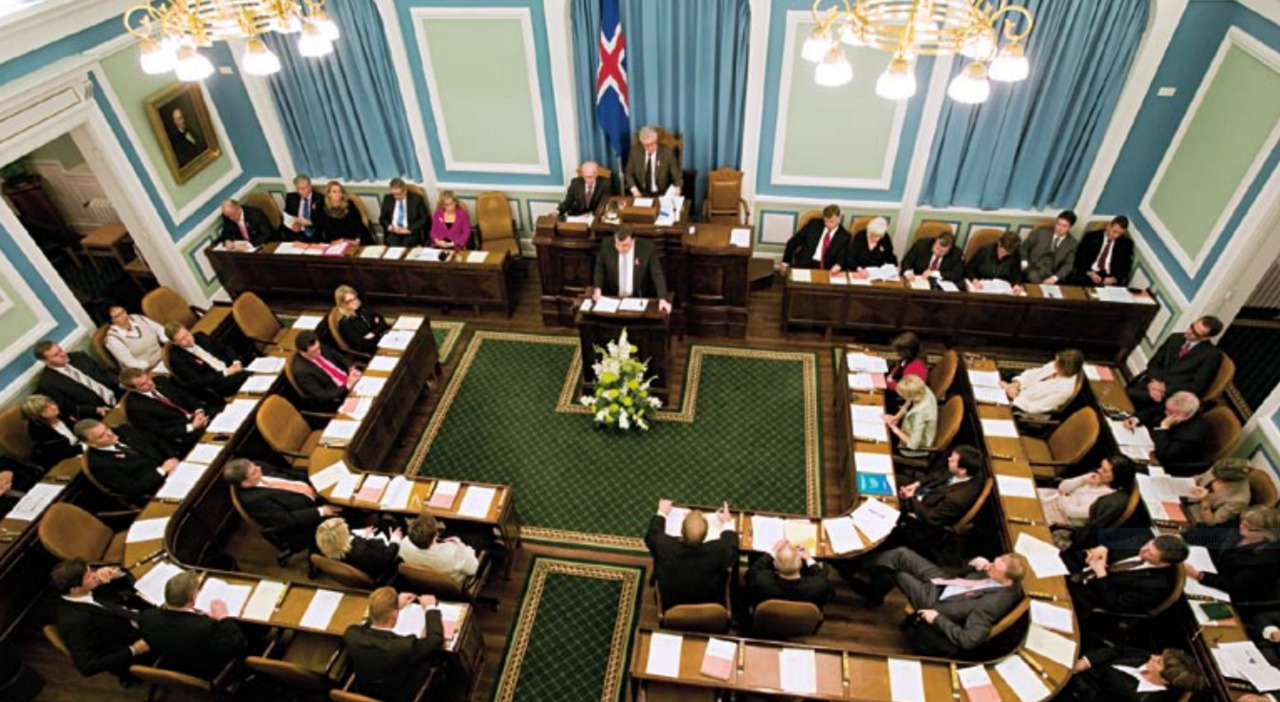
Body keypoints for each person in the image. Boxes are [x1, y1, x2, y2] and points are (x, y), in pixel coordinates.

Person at [854, 547, 1027, 656]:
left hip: (936, 602)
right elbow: (963, 576)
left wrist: (936, 618)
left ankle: (870, 589)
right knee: (902, 554)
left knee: (896, 572)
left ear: (1007, 581)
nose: (990, 565)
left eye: (995, 567)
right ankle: (854, 562)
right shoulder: (1000, 575)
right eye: (995, 561)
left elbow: (969, 640)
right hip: (946, 582)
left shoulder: (989, 606)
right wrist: (972, 564)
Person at [51, 558, 151, 683]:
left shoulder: (86, 588)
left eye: (91, 570)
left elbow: (120, 593)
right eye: (89, 576)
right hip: (136, 644)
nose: (95, 575)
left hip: (136, 616)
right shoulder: (74, 622)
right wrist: (133, 650)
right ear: (75, 589)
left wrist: (116, 575)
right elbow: (87, 667)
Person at [138, 570, 247, 680]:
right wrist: (223, 618)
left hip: (172, 661)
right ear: (193, 598)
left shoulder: (147, 617)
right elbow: (237, 644)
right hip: (203, 670)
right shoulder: (205, 627)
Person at [343, 587, 444, 702]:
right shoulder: (404, 646)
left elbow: (366, 625)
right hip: (398, 694)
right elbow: (435, 639)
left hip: (364, 689)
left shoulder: (351, 635)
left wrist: (389, 608)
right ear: (395, 615)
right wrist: (430, 607)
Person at [223, 458, 339, 552]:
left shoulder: (258, 467)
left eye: (255, 466)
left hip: (315, 490)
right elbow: (285, 519)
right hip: (306, 518)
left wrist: (311, 480)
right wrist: (321, 511)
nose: (259, 468)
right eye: (254, 472)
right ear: (245, 483)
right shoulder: (254, 500)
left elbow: (284, 472)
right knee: (350, 512)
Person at [645, 498, 738, 611]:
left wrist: (662, 512)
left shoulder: (664, 547)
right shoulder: (719, 551)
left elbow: (652, 535)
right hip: (710, 606)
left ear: (682, 531)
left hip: (671, 606)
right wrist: (727, 523)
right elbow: (732, 545)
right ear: (705, 535)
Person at [891, 446, 985, 556]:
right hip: (924, 493)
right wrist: (916, 484)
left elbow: (931, 517)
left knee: (886, 503)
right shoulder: (967, 471)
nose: (948, 459)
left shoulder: (956, 499)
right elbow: (937, 475)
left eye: (953, 460)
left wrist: (910, 498)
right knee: (892, 478)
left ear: (962, 470)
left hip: (923, 517)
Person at [1068, 535, 1188, 615]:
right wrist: (1104, 547)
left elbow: (1115, 603)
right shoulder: (1142, 539)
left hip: (1088, 595)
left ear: (1163, 563)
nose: (1142, 549)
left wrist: (1100, 573)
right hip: (1079, 567)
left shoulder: (1157, 587)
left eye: (1150, 554)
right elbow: (1110, 542)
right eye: (1148, 544)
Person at [1184, 506, 1280, 603]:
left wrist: (1200, 576)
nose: (1241, 525)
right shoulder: (1237, 528)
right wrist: (1183, 537)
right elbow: (1210, 534)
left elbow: (1235, 586)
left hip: (1222, 591)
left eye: (1248, 526)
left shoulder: (1266, 560)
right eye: (1243, 521)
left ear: (1265, 534)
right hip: (1205, 566)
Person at [1127, 315, 1225, 411]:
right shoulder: (1175, 338)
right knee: (1124, 391)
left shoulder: (1211, 356)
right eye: (1191, 327)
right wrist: (1155, 382)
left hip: (1172, 394)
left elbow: (1197, 386)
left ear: (1205, 338)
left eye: (1195, 333)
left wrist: (1164, 388)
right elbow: (1155, 362)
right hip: (1153, 381)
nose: (1189, 332)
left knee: (1130, 395)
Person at [119, 368, 218, 453]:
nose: (150, 383)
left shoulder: (161, 380)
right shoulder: (135, 408)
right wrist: (192, 426)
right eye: (143, 384)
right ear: (133, 389)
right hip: (183, 433)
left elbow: (186, 396)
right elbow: (158, 431)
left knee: (224, 412)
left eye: (148, 378)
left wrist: (199, 411)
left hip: (198, 416)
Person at [76, 419, 177, 500]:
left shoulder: (123, 430)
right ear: (91, 444)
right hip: (159, 488)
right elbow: (133, 490)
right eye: (101, 436)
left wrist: (172, 458)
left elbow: (157, 441)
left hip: (175, 467)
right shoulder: (99, 464)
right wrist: (162, 471)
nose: (109, 434)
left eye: (106, 429)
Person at [1066, 647, 1205, 701]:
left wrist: (1070, 673)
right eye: (1160, 656)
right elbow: (1117, 650)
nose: (1153, 656)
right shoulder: (1148, 658)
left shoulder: (1140, 698)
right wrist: (1086, 662)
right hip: (1084, 656)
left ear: (1165, 681)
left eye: (1159, 662)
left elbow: (1092, 696)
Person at [34, 340, 120, 423]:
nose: (63, 354)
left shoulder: (79, 357)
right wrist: (96, 410)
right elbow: (69, 408)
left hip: (118, 393)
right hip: (100, 412)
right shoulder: (48, 383)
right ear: (45, 361)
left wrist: (121, 383)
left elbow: (104, 373)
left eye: (60, 350)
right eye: (56, 355)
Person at [1124, 391, 1211, 475]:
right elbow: (1152, 411)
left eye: (1170, 412)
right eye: (1166, 408)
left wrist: (1163, 428)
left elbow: (1164, 454)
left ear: (1184, 416)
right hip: (1151, 442)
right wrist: (1136, 419)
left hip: (1170, 466)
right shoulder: (1173, 406)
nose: (1165, 412)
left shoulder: (1192, 435)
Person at [1039, 456, 1136, 529]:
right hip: (1053, 499)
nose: (1099, 470)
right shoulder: (1095, 476)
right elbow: (1062, 487)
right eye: (1101, 467)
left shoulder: (1108, 500)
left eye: (1104, 471)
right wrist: (1083, 479)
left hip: (1061, 518)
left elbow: (1072, 512)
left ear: (1116, 477)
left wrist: (1064, 497)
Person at [592, 226, 672, 313]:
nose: (620, 249)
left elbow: (657, 273)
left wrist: (662, 298)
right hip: (614, 298)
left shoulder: (646, 248)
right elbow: (599, 268)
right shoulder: (606, 245)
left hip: (639, 298)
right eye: (617, 244)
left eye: (625, 245)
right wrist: (598, 288)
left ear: (633, 241)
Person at [744, 540, 833, 612]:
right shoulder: (818, 587)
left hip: (767, 624)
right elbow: (822, 579)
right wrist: (809, 559)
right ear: (801, 564)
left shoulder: (761, 581)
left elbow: (753, 571)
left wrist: (771, 553)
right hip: (801, 627)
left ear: (774, 565)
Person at [164, 323, 247, 397]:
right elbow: (200, 380)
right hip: (219, 382)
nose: (188, 339)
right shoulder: (177, 359)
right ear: (175, 343)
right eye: (182, 339)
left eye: (187, 334)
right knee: (250, 375)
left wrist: (236, 361)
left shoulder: (200, 336)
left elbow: (224, 348)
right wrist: (227, 372)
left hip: (232, 367)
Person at [398, 514, 480, 588]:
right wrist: (460, 545)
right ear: (435, 536)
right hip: (455, 585)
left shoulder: (403, 544)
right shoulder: (453, 552)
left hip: (425, 585)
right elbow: (473, 569)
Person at [315, 517, 401, 584]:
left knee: (384, 523)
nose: (348, 529)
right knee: (390, 524)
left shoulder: (328, 546)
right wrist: (395, 540)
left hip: (362, 559)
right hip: (381, 567)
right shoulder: (360, 552)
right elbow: (386, 559)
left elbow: (349, 537)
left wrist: (362, 534)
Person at [1001, 349, 1084, 416]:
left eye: (1057, 363)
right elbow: (1032, 374)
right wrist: (1017, 383)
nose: (1053, 363)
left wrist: (1014, 397)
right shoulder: (1056, 366)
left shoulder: (1064, 390)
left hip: (1023, 410)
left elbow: (1036, 408)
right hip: (1015, 392)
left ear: (1065, 368)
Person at [292, 330, 362, 406]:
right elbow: (322, 395)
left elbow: (337, 356)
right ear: (302, 352)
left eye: (318, 348)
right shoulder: (302, 372)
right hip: (340, 395)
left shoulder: (317, 346)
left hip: (351, 378)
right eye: (314, 351)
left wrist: (351, 368)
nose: (319, 352)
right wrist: (347, 386)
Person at [1068, 215, 1134, 287]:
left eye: (1120, 234)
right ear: (1108, 226)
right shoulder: (1091, 237)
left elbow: (1126, 266)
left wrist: (1115, 278)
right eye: (1114, 231)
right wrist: (1090, 273)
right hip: (1089, 273)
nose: (1116, 236)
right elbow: (1080, 257)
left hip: (1109, 277)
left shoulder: (1126, 244)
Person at [781, 204, 850, 273]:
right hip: (805, 263)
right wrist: (785, 261)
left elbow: (842, 257)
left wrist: (838, 265)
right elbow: (793, 241)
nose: (828, 224)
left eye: (831, 221)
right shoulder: (813, 225)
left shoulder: (844, 236)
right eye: (826, 221)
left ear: (839, 218)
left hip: (826, 268)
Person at [1186, 457, 1252, 527]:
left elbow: (1211, 522)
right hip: (1188, 495)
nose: (1215, 481)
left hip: (1195, 512)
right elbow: (1199, 478)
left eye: (1219, 481)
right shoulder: (1220, 468)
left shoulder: (1238, 500)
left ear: (1231, 483)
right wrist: (1190, 483)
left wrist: (1205, 501)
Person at [21, 394, 81, 470]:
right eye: (46, 409)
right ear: (37, 415)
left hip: (81, 447)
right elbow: (59, 453)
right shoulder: (39, 432)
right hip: (65, 462)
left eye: (51, 403)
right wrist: (83, 447)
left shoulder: (61, 414)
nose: (53, 407)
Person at [884, 375, 937, 458]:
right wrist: (896, 417)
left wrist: (894, 429)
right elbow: (908, 403)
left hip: (910, 448)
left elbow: (913, 445)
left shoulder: (920, 415)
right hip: (908, 428)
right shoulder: (922, 389)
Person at [1021, 210, 1079, 285]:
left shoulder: (1072, 243)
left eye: (1064, 226)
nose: (1059, 228)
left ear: (1070, 227)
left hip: (1051, 273)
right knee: (1033, 277)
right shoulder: (1041, 232)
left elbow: (1068, 264)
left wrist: (1055, 277)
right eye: (1058, 224)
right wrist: (1024, 261)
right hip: (1033, 267)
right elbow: (1024, 246)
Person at [103, 305, 168, 371]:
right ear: (111, 321)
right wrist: (149, 364)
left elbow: (159, 329)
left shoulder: (137, 318)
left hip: (163, 356)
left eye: (123, 311)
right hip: (145, 369)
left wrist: (166, 343)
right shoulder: (112, 339)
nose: (124, 315)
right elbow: (130, 363)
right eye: (118, 316)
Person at [625, 126, 682, 198]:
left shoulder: (667, 153)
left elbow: (677, 176)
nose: (650, 148)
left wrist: (678, 188)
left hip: (662, 194)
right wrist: (634, 190)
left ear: (656, 140)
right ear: (642, 143)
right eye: (646, 145)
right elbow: (628, 174)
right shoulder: (635, 152)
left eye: (652, 144)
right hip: (641, 193)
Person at [334, 285, 390, 355]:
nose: (354, 302)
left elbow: (382, 322)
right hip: (373, 352)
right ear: (342, 304)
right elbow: (364, 345)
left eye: (355, 298)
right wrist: (377, 328)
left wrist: (373, 333)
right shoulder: (345, 323)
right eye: (349, 301)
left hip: (383, 340)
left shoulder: (362, 308)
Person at [378, 177, 428, 247]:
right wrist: (389, 226)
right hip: (393, 232)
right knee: (392, 245)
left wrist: (409, 229)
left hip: (409, 232)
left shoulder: (416, 200)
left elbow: (424, 219)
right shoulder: (387, 199)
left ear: (405, 191)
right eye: (394, 194)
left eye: (399, 194)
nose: (396, 197)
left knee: (407, 244)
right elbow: (382, 218)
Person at [284, 173, 325, 242]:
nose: (300, 191)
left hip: (314, 232)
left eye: (303, 188)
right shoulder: (291, 198)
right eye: (298, 189)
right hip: (297, 232)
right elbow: (288, 216)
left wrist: (310, 222)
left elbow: (323, 220)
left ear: (310, 186)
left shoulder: (319, 199)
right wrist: (293, 224)